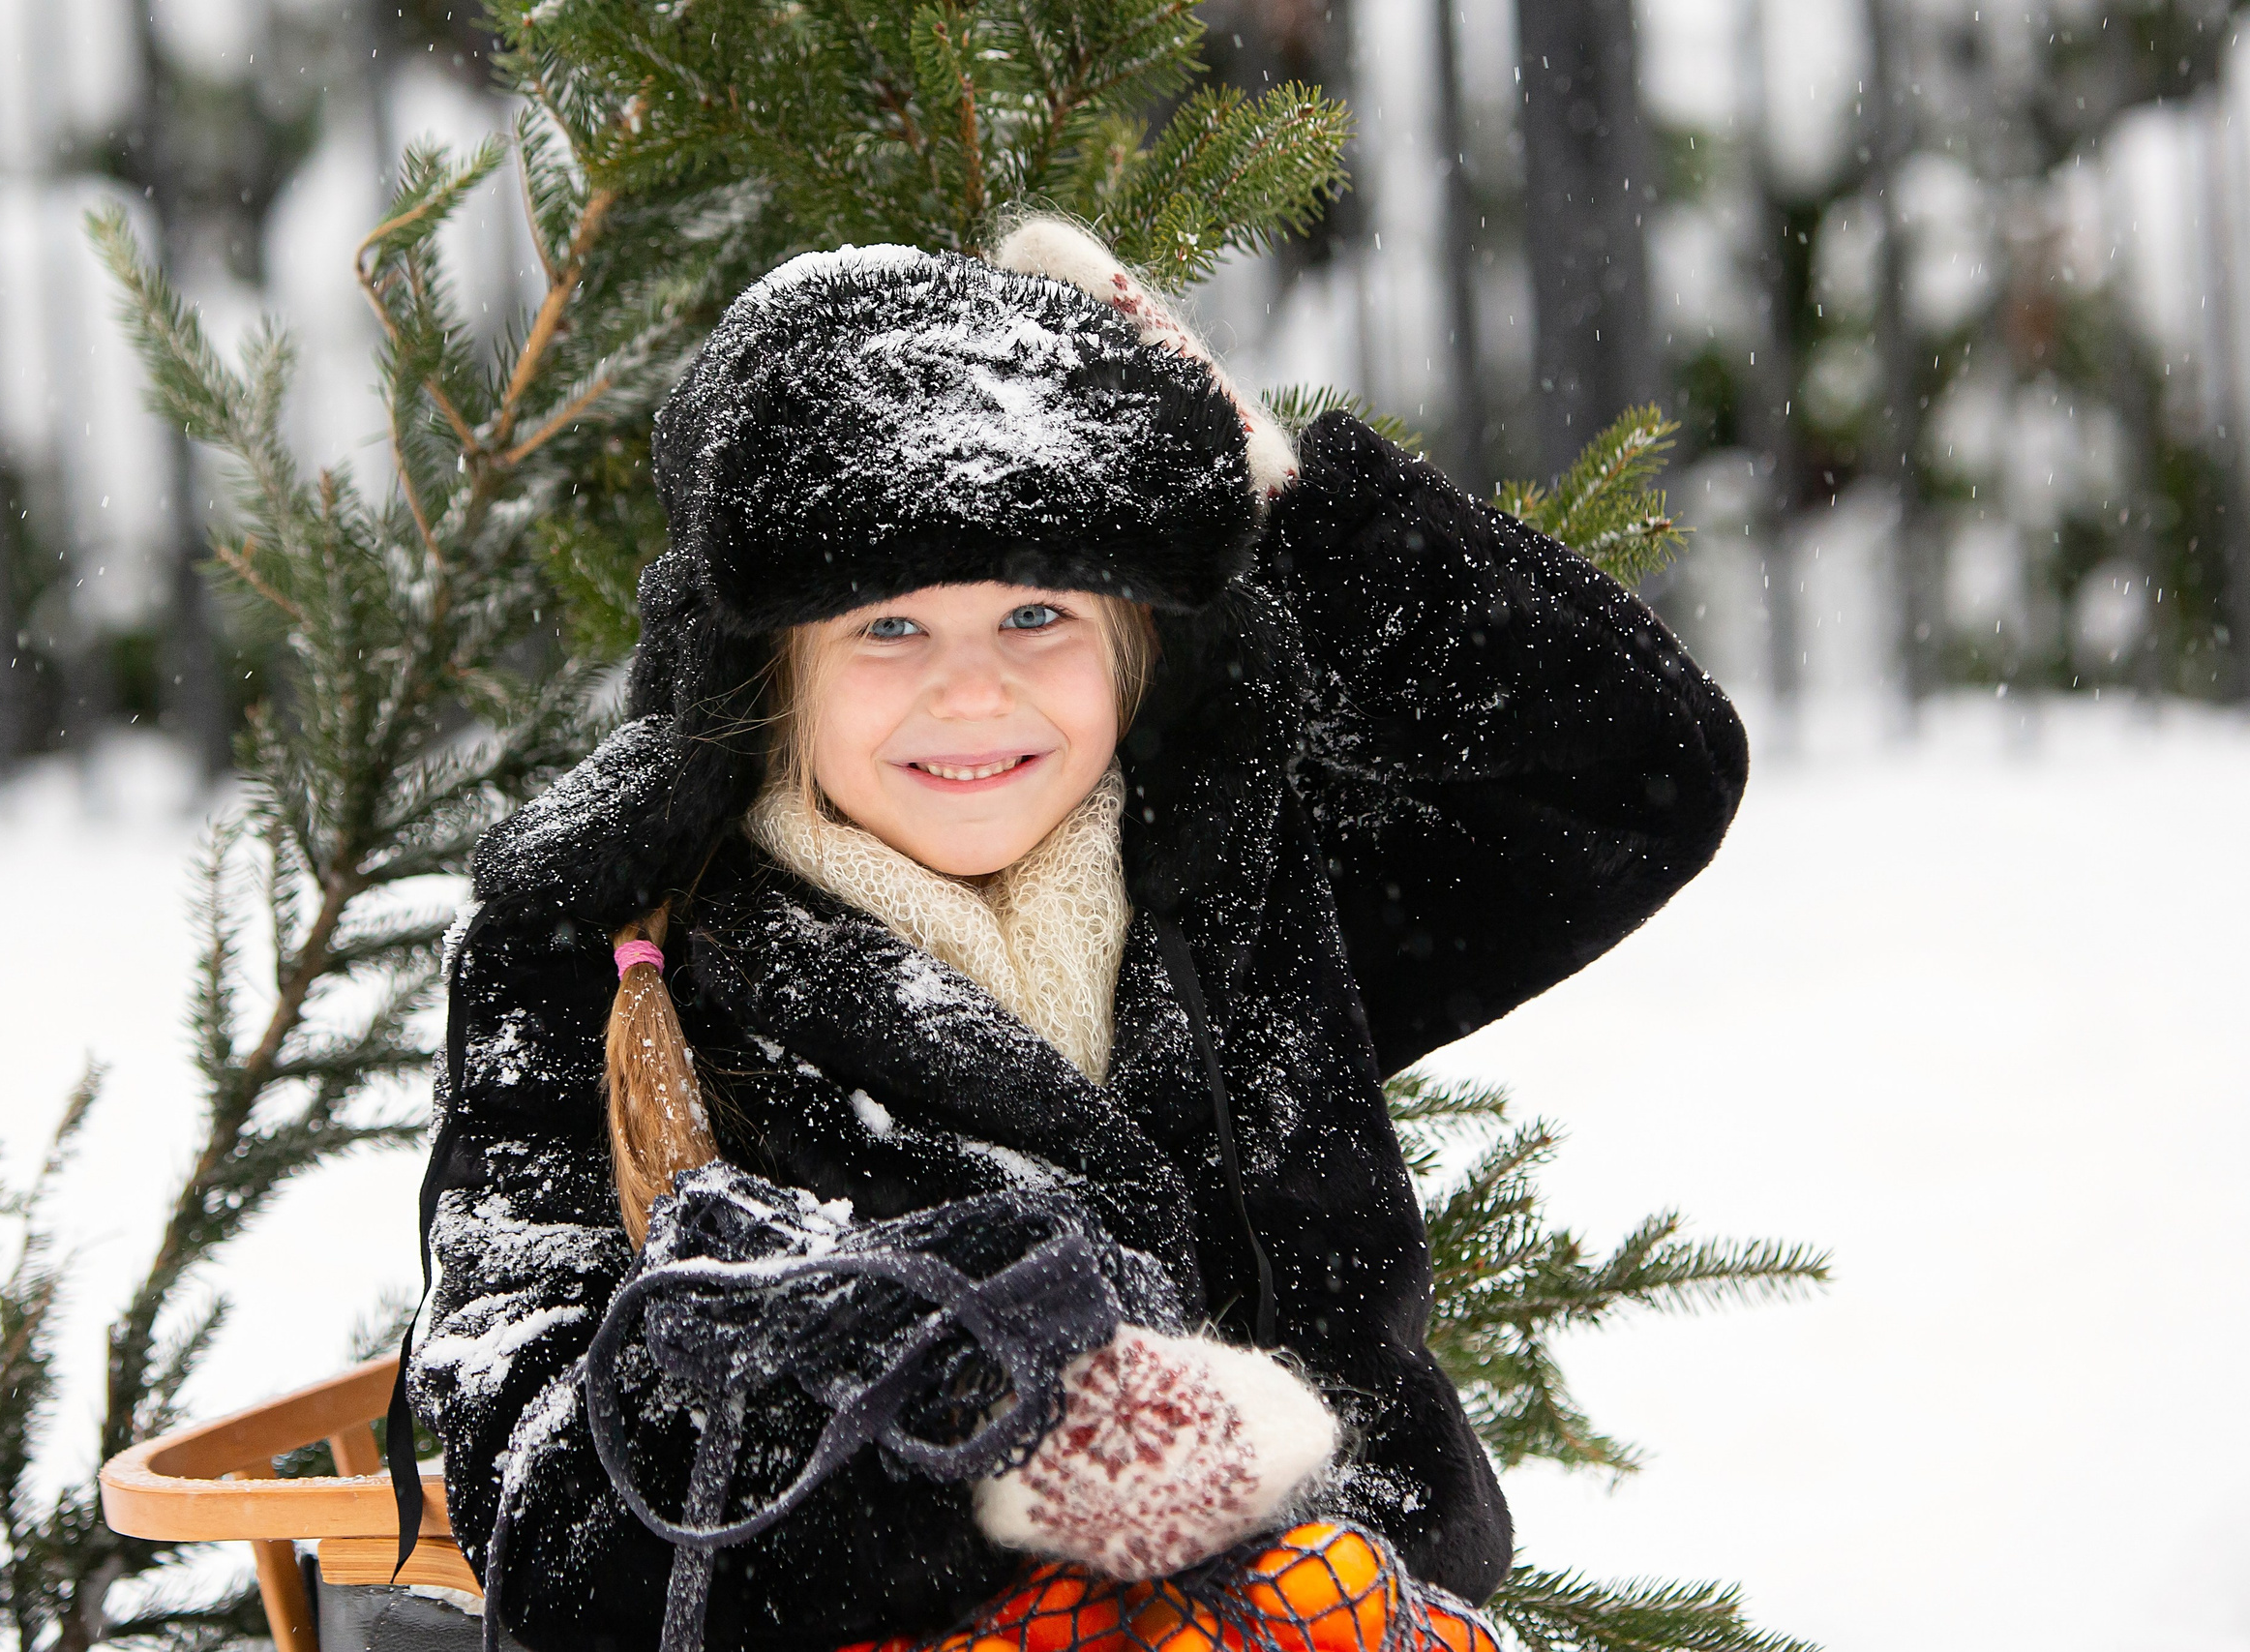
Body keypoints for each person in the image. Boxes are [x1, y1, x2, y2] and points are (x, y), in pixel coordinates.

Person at [404, 221, 1748, 1652]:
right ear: (772, 673)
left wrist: (1268, 503)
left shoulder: (1232, 862)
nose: (973, 694)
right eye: (888, 629)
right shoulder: (596, 946)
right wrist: (995, 1460)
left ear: (1132, 646)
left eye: (1037, 613)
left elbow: (1638, 771)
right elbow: (548, 1498)